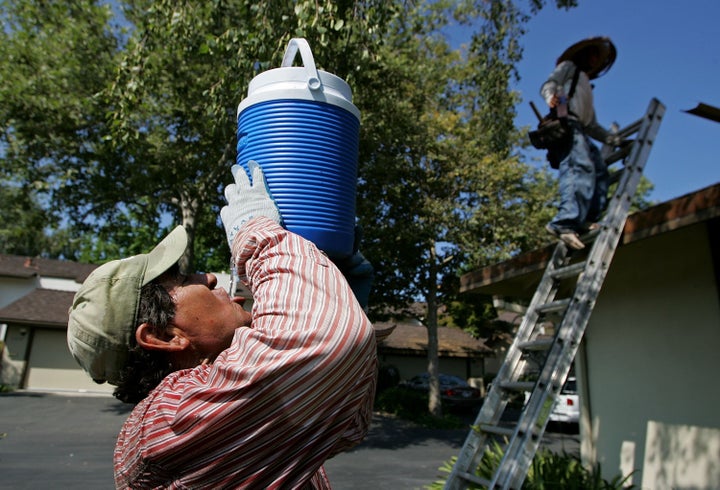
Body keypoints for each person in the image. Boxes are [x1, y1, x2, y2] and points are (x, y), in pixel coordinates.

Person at [67, 160, 378, 489]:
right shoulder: (167, 425)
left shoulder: (226, 407)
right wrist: (257, 234)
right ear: (164, 336)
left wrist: (332, 293)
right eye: (186, 278)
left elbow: (345, 426)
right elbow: (324, 340)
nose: (210, 276)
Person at [541, 36, 622, 250]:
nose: (595, 59)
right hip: (566, 124)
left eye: (598, 57)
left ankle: (586, 219)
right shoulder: (569, 68)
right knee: (578, 168)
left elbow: (592, 125)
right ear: (584, 55)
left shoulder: (586, 85)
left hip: (580, 129)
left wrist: (615, 140)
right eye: (592, 54)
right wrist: (550, 97)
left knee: (600, 172)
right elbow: (550, 84)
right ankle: (564, 222)